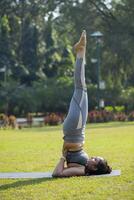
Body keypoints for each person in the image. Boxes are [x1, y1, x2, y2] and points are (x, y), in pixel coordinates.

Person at [52, 30, 112, 177]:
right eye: (96, 157)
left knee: (81, 87)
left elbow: (57, 174)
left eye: (96, 159)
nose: (94, 157)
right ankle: (80, 51)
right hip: (78, 130)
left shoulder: (82, 170)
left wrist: (63, 156)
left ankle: (81, 51)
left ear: (95, 168)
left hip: (74, 130)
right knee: (82, 88)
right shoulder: (86, 166)